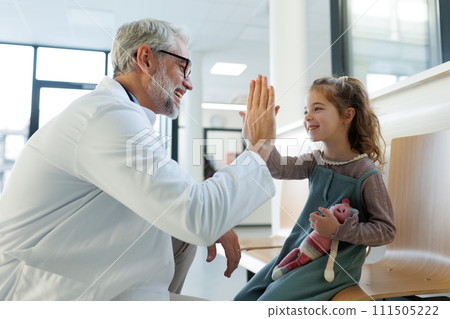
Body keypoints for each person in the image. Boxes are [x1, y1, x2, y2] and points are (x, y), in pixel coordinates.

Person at [0, 18, 278, 301]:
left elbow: (179, 208)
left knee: (182, 237)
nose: (189, 83)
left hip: (81, 280)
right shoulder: (108, 118)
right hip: (38, 292)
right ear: (146, 59)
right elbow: (196, 215)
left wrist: (202, 224)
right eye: (183, 67)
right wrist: (259, 148)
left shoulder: (120, 116)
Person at [234, 76, 396, 301]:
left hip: (334, 266)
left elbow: (386, 230)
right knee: (244, 298)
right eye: (305, 111)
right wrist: (257, 139)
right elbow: (278, 168)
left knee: (267, 303)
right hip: (299, 251)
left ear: (347, 116)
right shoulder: (315, 160)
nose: (308, 117)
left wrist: (338, 231)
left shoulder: (365, 174)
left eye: (317, 109)